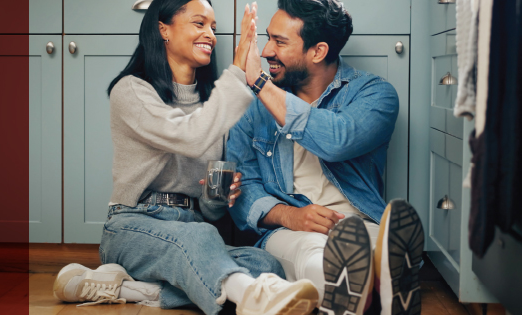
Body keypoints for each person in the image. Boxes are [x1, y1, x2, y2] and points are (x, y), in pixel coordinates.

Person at [52, 1, 319, 314]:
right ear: (163, 28)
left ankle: (137, 291)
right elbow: (190, 137)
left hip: (193, 227)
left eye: (213, 28)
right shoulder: (132, 91)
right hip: (133, 227)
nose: (210, 34)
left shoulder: (213, 107)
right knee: (199, 237)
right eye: (199, 23)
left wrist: (217, 197)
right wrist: (237, 72)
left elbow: (210, 210)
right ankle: (254, 299)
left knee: (265, 264)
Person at [227, 1, 424, 315]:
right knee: (312, 253)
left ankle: (379, 281)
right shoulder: (249, 106)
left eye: (279, 42)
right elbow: (242, 189)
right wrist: (290, 216)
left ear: (317, 51)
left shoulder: (374, 94)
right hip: (290, 231)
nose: (265, 52)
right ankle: (369, 290)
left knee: (378, 247)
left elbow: (337, 139)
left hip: (359, 224)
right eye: (267, 38)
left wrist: (259, 83)